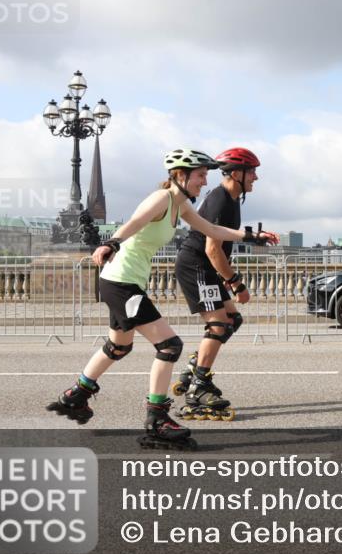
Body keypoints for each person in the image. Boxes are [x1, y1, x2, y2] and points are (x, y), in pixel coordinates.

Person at [46, 149, 270, 449]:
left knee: (119, 346)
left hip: (124, 281)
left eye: (205, 175)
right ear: (181, 175)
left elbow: (213, 230)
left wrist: (252, 237)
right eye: (200, 175)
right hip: (121, 281)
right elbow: (135, 222)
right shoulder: (162, 199)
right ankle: (157, 420)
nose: (205, 181)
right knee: (169, 346)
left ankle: (76, 396)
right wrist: (111, 243)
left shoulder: (180, 207)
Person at [172, 147, 278, 420]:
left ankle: (195, 368)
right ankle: (198, 388)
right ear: (237, 173)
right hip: (196, 265)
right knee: (219, 324)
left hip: (203, 266)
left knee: (232, 319)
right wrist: (235, 283)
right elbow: (212, 249)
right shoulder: (220, 198)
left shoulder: (231, 198)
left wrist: (255, 236)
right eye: (252, 171)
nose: (256, 177)